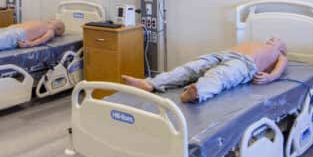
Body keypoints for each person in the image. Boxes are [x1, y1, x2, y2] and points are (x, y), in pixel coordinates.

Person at [122, 37, 288, 103]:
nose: (272, 39)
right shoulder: (256, 42)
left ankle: (198, 92)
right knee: (191, 67)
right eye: (271, 38)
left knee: (219, 76)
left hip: (245, 65)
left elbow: (279, 69)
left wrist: (270, 77)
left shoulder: (279, 54)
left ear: (282, 48)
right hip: (225, 54)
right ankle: (150, 83)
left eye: (277, 40)